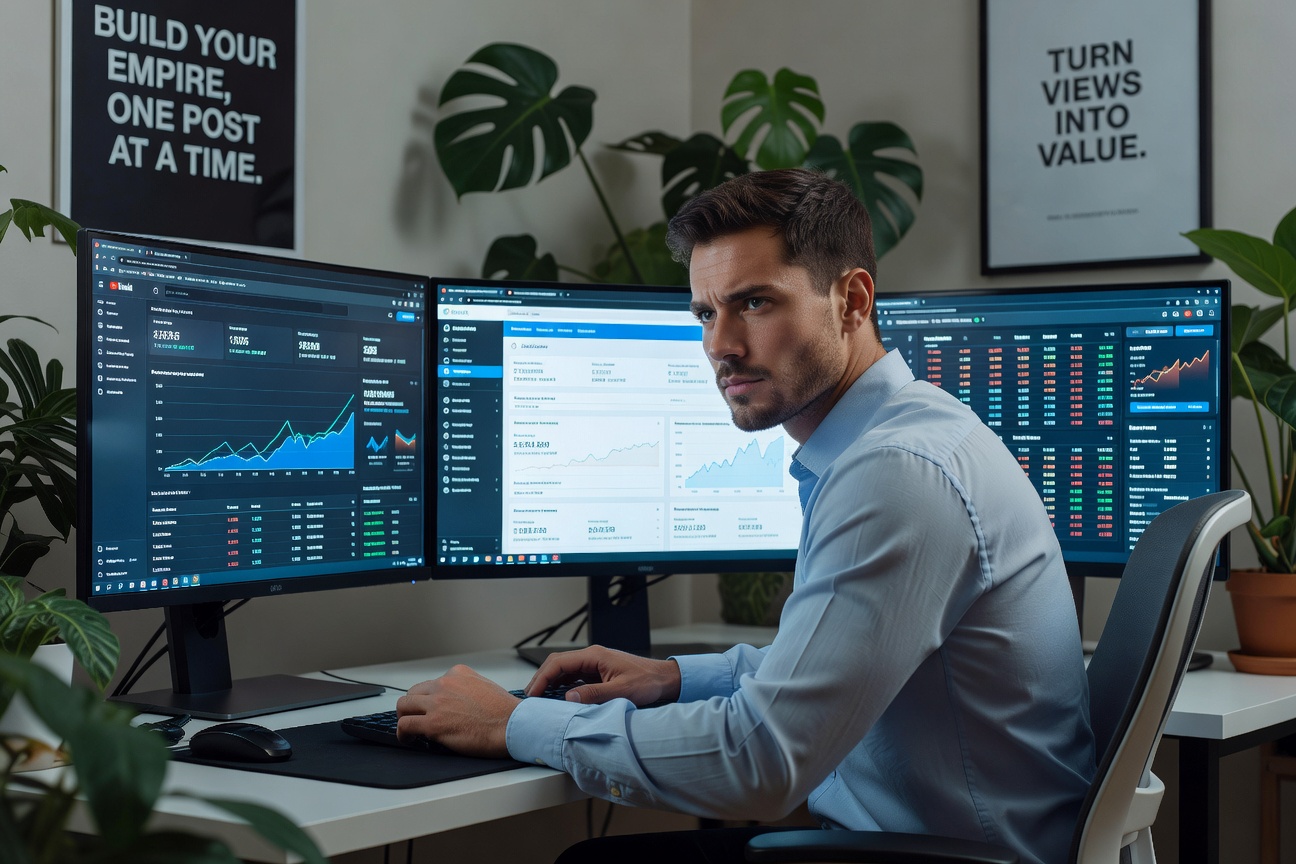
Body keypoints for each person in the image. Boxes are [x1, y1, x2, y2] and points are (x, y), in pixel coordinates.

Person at [397, 168, 1095, 864]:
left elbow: (760, 764)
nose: (719, 345)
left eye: (754, 303)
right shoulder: (900, 438)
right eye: (706, 312)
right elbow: (842, 660)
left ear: (851, 300)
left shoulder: (899, 474)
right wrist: (673, 678)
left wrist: (516, 722)